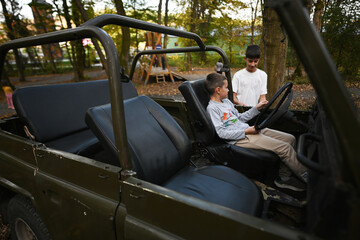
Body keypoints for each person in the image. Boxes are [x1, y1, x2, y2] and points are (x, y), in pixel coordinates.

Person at [205, 73, 308, 191]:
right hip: (240, 138)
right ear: (218, 90)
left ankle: (284, 177)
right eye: (226, 87)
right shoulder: (212, 108)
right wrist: (246, 131)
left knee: (291, 139)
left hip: (248, 130)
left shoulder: (226, 102)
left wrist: (256, 108)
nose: (228, 90)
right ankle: (307, 176)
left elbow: (239, 118)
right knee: (284, 148)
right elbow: (221, 133)